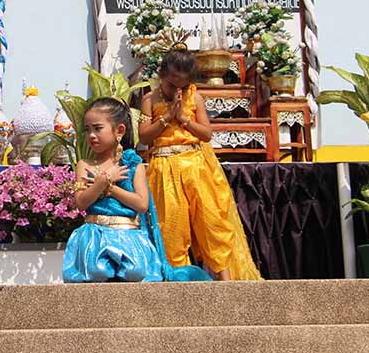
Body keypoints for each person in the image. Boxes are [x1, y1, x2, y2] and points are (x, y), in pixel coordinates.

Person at [138, 48, 261, 281]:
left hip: (195, 166)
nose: (178, 91)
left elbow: (206, 134)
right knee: (172, 228)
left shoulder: (194, 98)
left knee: (211, 222)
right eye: (172, 85)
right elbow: (144, 137)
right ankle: (179, 283)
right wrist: (167, 117)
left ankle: (226, 283)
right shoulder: (149, 100)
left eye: (183, 86)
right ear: (161, 75)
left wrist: (184, 120)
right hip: (164, 168)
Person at [63, 97, 211, 283]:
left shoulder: (133, 164)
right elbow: (81, 202)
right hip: (95, 238)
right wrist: (103, 181)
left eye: (98, 128)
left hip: (128, 238)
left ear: (119, 131)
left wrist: (110, 189)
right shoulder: (85, 165)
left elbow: (141, 204)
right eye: (88, 129)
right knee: (96, 270)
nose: (91, 135)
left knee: (135, 271)